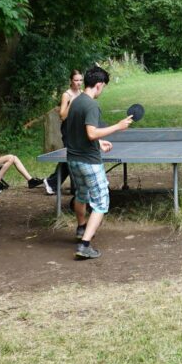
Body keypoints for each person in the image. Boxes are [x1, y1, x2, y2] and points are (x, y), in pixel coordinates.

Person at [66, 65, 134, 259]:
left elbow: (78, 131)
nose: (102, 89)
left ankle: (81, 228)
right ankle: (84, 245)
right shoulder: (91, 105)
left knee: (81, 194)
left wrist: (98, 142)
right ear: (99, 84)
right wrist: (118, 126)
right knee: (101, 202)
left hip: (73, 159)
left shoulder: (75, 101)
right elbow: (91, 132)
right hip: (89, 162)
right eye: (103, 86)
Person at [49, 69, 84, 197]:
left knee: (72, 158)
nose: (78, 83)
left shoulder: (82, 93)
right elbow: (62, 115)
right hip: (68, 129)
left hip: (79, 129)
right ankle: (55, 183)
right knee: (71, 157)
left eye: (80, 80)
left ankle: (52, 182)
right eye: (76, 80)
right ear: (71, 81)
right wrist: (72, 103)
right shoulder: (66, 95)